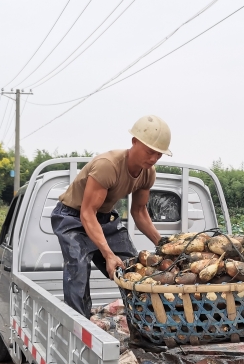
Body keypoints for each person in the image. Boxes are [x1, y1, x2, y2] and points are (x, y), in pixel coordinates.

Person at [51, 115, 171, 317]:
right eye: (150, 151)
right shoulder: (108, 165)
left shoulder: (148, 173)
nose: (153, 158)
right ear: (134, 142)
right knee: (78, 270)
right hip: (71, 217)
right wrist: (107, 254)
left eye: (158, 155)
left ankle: (142, 320)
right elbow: (87, 212)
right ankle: (80, 327)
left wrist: (163, 245)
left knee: (133, 267)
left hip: (104, 218)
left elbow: (139, 211)